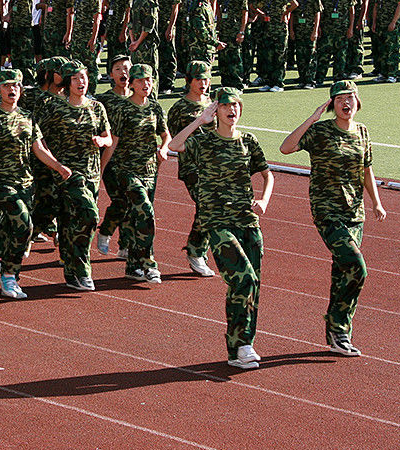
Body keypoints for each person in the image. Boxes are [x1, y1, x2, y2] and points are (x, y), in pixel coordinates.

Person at [279, 80, 387, 356]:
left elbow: (367, 170)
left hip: (355, 214)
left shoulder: (362, 132)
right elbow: (286, 148)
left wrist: (376, 202)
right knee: (357, 268)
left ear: (358, 102)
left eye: (350, 97)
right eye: (339, 99)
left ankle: (339, 334)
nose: (346, 103)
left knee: (343, 273)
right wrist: (312, 118)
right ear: (331, 105)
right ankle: (338, 326)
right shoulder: (321, 131)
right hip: (327, 212)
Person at [169, 87, 273, 370]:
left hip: (247, 221)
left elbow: (267, 173)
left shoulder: (248, 142)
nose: (232, 110)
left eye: (236, 105)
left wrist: (263, 198)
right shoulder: (204, 141)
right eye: (226, 105)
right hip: (217, 221)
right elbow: (174, 146)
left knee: (252, 286)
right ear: (216, 110)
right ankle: (241, 346)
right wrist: (198, 121)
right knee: (243, 279)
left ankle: (241, 345)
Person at [0, 67, 71, 299]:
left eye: (15, 86)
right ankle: (8, 276)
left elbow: (38, 149)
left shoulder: (26, 116)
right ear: (0, 89)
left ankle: (4, 266)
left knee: (15, 227)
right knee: (23, 222)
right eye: (6, 86)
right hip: (0, 181)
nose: (11, 89)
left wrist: (58, 167)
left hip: (25, 182)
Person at [33, 60, 112, 291]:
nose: (81, 82)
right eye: (76, 78)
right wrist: (55, 165)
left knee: (70, 223)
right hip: (66, 174)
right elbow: (39, 138)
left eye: (84, 77)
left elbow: (108, 136)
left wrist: (102, 141)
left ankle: (70, 270)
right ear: (67, 82)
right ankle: (83, 269)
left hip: (92, 174)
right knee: (89, 215)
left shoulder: (96, 107)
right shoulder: (54, 107)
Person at [96, 62, 168, 283]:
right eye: (141, 81)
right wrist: (100, 171)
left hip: (150, 171)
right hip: (127, 171)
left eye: (149, 80)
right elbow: (113, 143)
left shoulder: (155, 107)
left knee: (140, 218)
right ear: (133, 84)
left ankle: (133, 266)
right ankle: (149, 264)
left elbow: (165, 135)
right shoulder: (122, 109)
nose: (146, 84)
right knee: (145, 211)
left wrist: (164, 149)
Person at [163, 59, 215, 277]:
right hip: (192, 167)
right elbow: (177, 141)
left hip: (213, 166)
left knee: (214, 207)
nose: (203, 83)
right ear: (189, 81)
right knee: (208, 205)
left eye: (206, 79)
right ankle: (196, 252)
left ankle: (200, 249)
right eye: (198, 79)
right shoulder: (179, 109)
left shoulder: (212, 102)